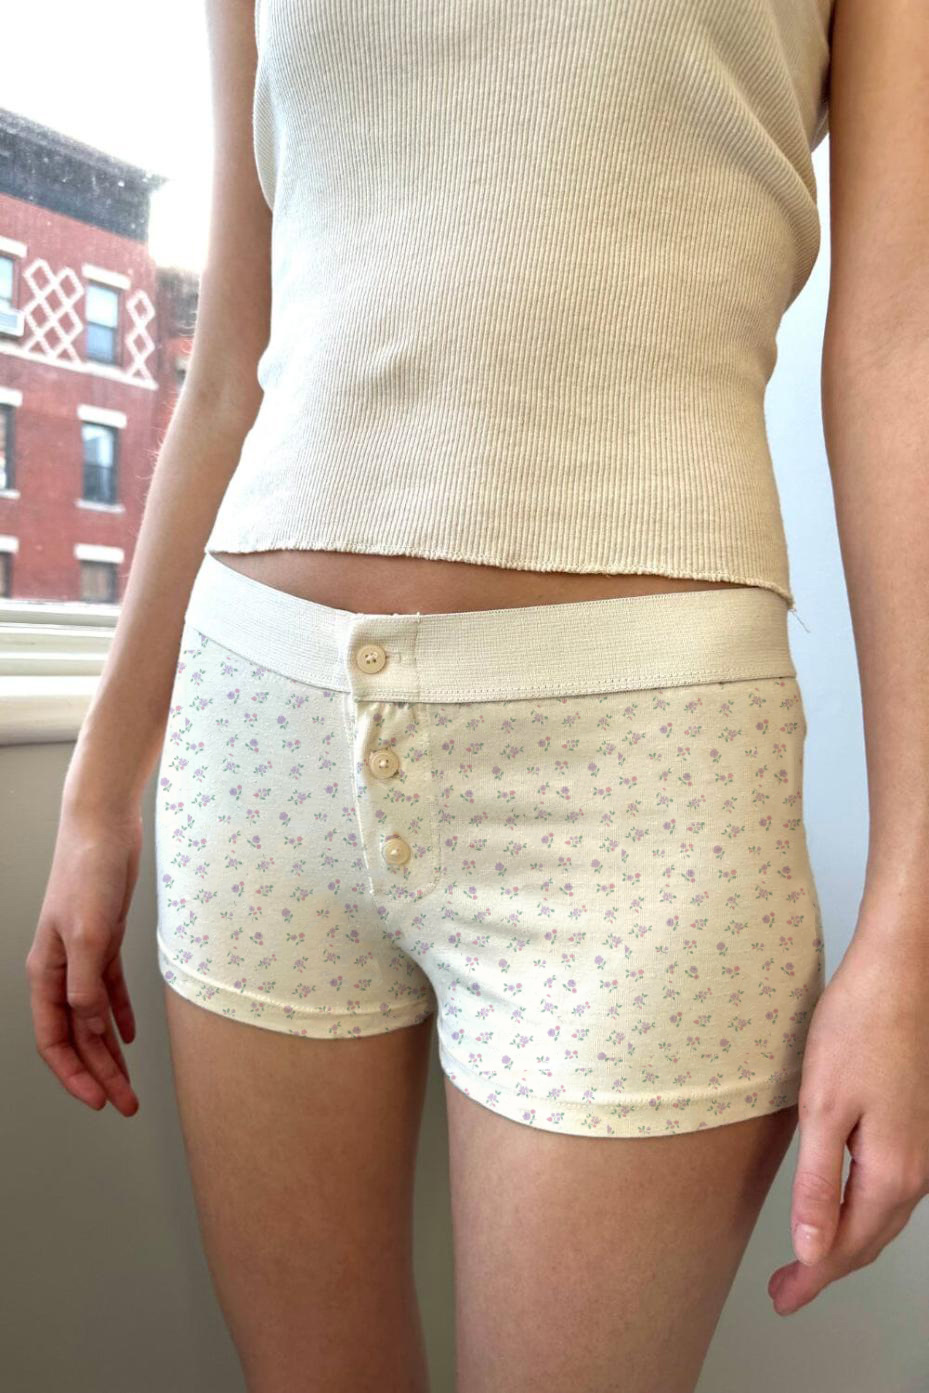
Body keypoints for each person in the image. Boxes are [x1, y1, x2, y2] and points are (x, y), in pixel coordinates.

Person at [26, 1, 929, 1389]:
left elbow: (898, 353)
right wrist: (99, 794)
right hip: (256, 733)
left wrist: (909, 934)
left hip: (639, 773)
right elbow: (229, 366)